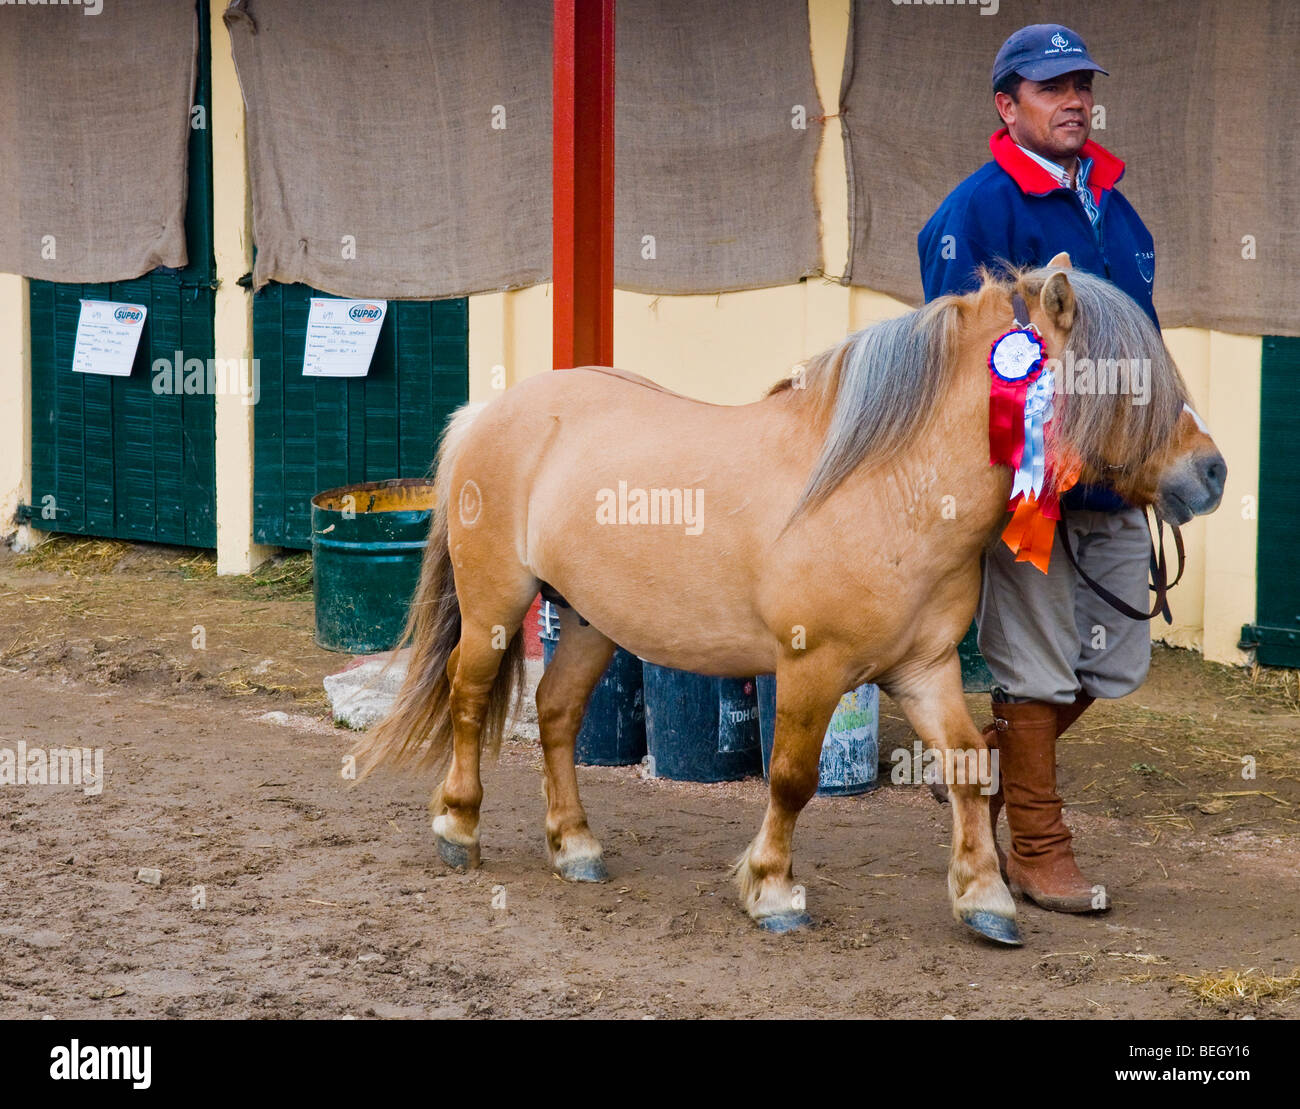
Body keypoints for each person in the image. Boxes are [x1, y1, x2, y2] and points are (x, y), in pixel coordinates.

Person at [917, 24, 1161, 913]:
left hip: (1118, 477)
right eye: (1052, 87)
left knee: (1115, 662)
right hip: (1031, 485)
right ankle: (1037, 847)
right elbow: (950, 353)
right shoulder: (974, 212)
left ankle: (988, 759)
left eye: (1082, 86)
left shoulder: (1116, 204)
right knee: (1037, 669)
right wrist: (1032, 448)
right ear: (1006, 103)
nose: (1074, 101)